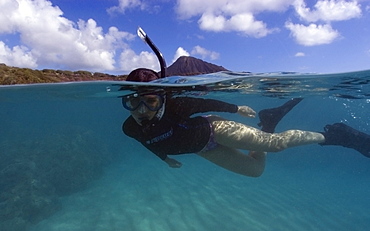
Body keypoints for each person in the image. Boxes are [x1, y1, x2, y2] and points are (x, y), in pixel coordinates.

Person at [122, 68, 370, 177]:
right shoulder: (130, 128)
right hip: (201, 149)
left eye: (150, 102)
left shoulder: (176, 105)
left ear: (161, 98)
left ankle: (334, 135)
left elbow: (205, 105)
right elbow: (147, 142)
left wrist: (237, 108)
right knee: (255, 171)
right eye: (133, 102)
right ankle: (269, 120)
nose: (141, 110)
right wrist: (165, 159)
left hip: (213, 130)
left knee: (275, 145)